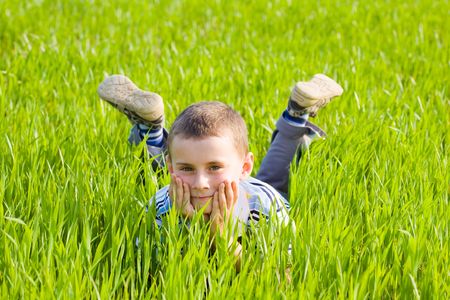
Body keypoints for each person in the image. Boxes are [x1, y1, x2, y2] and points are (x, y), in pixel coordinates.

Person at [97, 73, 343, 271]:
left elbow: (280, 282)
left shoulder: (265, 205)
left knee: (274, 180)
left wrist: (221, 239)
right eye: (186, 168)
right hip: (186, 194)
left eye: (214, 167)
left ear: (245, 167)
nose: (201, 184)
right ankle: (296, 116)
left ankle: (296, 116)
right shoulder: (161, 206)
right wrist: (186, 227)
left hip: (258, 195)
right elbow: (152, 276)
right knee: (153, 186)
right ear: (171, 167)